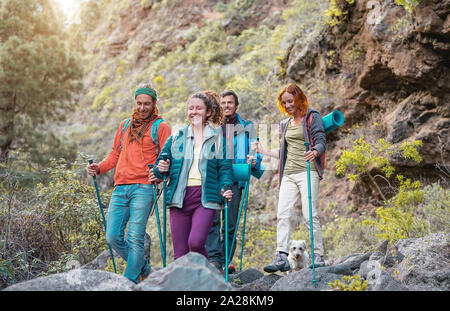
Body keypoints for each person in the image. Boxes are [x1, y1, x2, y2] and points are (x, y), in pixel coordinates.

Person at [86, 84, 171, 283]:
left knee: (135, 237)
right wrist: (99, 168)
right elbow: (115, 154)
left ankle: (129, 282)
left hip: (144, 188)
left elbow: (167, 158)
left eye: (147, 104)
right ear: (135, 102)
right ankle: (145, 269)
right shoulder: (125, 125)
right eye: (139, 103)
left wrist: (158, 175)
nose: (142, 108)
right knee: (112, 236)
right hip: (120, 187)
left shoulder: (161, 126)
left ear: (154, 104)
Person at [148, 92, 233, 261]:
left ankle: (208, 273)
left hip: (205, 197)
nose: (194, 112)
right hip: (179, 196)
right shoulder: (176, 137)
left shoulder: (217, 138)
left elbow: (225, 168)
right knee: (180, 254)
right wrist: (161, 168)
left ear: (208, 112)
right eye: (190, 108)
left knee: (195, 243)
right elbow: (158, 169)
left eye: (198, 108)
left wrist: (226, 188)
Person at [253, 83, 326, 273]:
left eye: (290, 101)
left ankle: (318, 254)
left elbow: (321, 141)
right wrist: (264, 151)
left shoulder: (312, 117)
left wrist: (316, 151)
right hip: (288, 174)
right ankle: (282, 256)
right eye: (284, 102)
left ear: (299, 99)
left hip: (307, 171)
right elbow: (284, 152)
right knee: (283, 214)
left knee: (309, 215)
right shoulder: (285, 124)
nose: (287, 105)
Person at [205, 90, 264, 273]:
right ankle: (214, 259)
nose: (226, 106)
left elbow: (256, 151)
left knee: (230, 224)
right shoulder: (212, 127)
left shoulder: (247, 126)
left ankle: (226, 260)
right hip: (214, 179)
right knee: (212, 221)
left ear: (236, 105)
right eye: (223, 103)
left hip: (236, 179)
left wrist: (254, 160)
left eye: (230, 103)